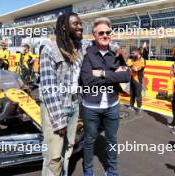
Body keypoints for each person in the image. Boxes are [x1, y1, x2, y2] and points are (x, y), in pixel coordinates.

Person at [80, 17, 130, 176]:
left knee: (112, 141)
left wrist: (101, 73)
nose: (105, 35)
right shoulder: (86, 54)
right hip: (91, 107)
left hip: (112, 105)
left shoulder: (117, 53)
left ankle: (112, 171)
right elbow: (87, 81)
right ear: (94, 35)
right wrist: (113, 75)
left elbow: (126, 76)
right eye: (101, 32)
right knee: (89, 141)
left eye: (108, 32)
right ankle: (88, 171)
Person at [39, 12, 84, 176]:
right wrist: (59, 121)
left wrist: (116, 48)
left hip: (73, 105)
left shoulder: (79, 48)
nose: (80, 26)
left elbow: (101, 43)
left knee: (68, 149)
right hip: (56, 108)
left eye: (80, 23)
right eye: (75, 24)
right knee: (54, 156)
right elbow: (48, 89)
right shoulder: (49, 50)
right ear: (64, 26)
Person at [126, 47, 146, 114]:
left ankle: (139, 107)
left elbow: (136, 69)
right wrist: (131, 67)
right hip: (132, 78)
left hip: (138, 79)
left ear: (137, 53)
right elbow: (127, 64)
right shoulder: (132, 59)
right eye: (131, 53)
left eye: (133, 53)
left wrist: (131, 67)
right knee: (132, 93)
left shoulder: (142, 60)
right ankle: (131, 105)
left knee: (138, 94)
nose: (132, 54)